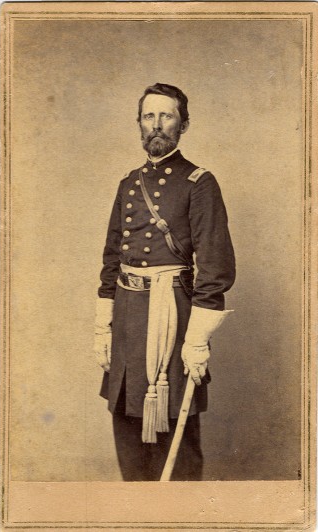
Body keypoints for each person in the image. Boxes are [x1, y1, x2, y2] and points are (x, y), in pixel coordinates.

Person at [94, 83, 235, 481]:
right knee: (125, 421)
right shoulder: (127, 183)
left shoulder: (199, 183)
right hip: (126, 318)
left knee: (176, 430)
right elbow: (111, 258)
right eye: (149, 116)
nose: (157, 125)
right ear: (139, 124)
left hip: (172, 318)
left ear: (183, 124)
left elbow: (215, 264)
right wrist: (102, 326)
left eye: (166, 116)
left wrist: (196, 339)